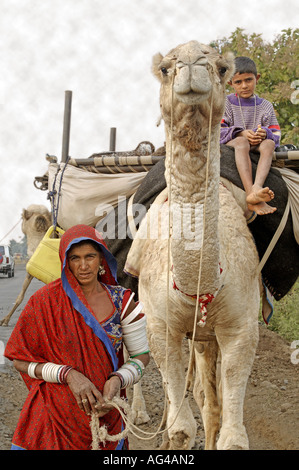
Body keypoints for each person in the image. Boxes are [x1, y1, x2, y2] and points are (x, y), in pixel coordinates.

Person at [4, 224, 150, 450]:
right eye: (75, 258)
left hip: (106, 418)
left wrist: (117, 380)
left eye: (90, 256)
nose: (83, 266)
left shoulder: (124, 301)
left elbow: (141, 357)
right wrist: (67, 374)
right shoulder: (44, 302)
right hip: (53, 419)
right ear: (64, 260)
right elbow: (19, 359)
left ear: (101, 258)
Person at [220, 56, 281, 215]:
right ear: (230, 83)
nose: (244, 86)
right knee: (242, 142)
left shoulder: (266, 105)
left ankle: (257, 186)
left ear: (257, 78)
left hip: (257, 143)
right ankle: (250, 194)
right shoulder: (226, 103)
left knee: (269, 144)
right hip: (234, 143)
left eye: (248, 80)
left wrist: (265, 133)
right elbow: (217, 132)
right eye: (238, 82)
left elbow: (276, 134)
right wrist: (240, 132)